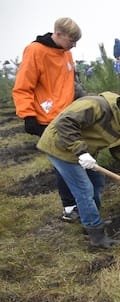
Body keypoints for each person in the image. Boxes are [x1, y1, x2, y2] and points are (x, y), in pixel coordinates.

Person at [36, 92, 120, 249]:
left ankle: (89, 220)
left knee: (97, 182)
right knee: (84, 189)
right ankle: (96, 235)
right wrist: (81, 152)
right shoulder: (97, 106)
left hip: (82, 151)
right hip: (60, 146)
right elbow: (64, 123)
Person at [13, 17, 84, 222]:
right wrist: (28, 115)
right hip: (47, 118)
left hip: (68, 116)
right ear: (58, 34)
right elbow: (23, 86)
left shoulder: (67, 53)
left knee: (74, 160)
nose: (74, 45)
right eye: (72, 40)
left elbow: (72, 84)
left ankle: (77, 203)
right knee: (63, 164)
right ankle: (70, 207)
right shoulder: (35, 51)